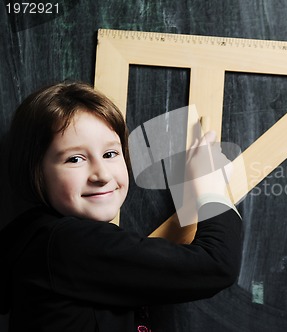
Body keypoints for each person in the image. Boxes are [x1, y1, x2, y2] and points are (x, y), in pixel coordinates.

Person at [0, 82, 242, 332]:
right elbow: (216, 264)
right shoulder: (67, 243)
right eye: (75, 159)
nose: (102, 175)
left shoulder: (39, 239)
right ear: (35, 171)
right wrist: (210, 187)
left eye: (110, 154)